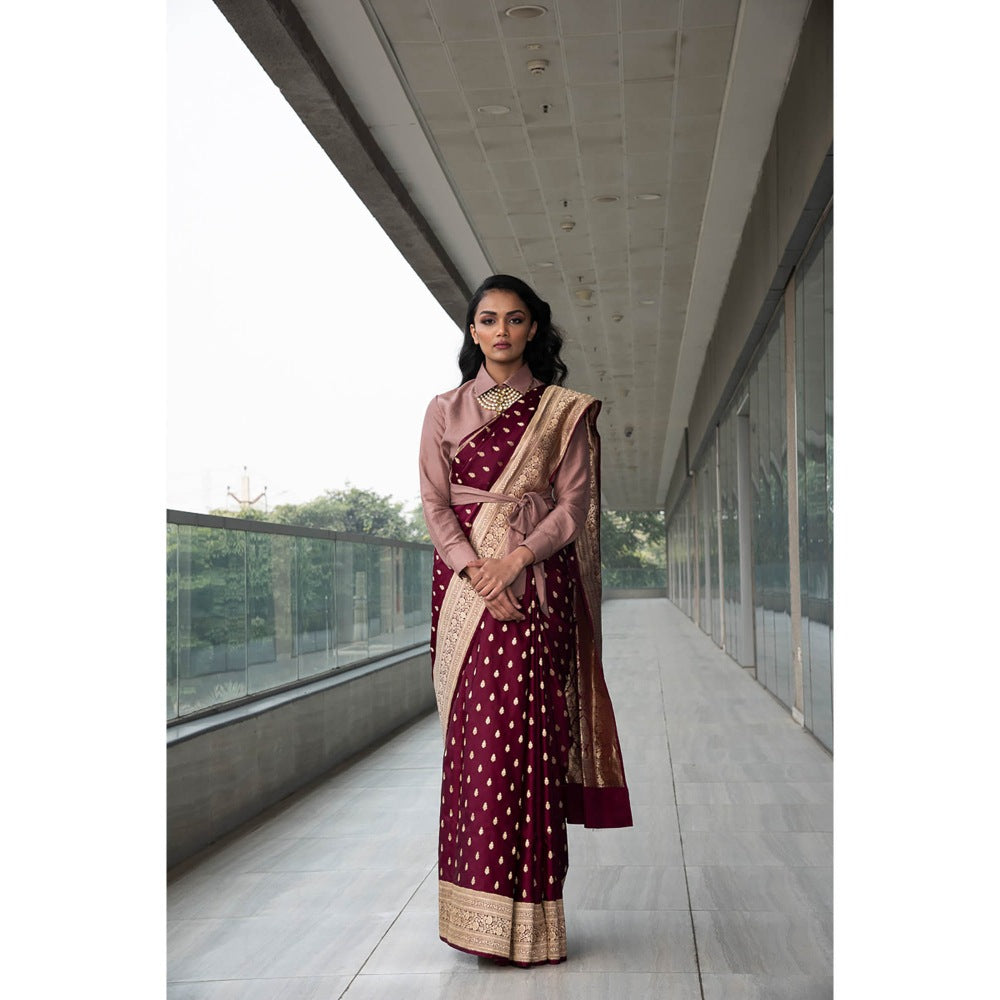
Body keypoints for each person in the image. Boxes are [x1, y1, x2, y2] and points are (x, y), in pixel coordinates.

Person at [419, 273, 632, 967]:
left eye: (515, 319)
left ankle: (532, 924)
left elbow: (573, 506)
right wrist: (475, 571)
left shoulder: (561, 412)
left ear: (533, 328)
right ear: (473, 330)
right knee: (476, 750)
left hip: (536, 587)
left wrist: (515, 560)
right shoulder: (444, 410)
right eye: (489, 319)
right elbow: (435, 504)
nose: (502, 331)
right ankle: (477, 920)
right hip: (464, 594)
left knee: (531, 746)